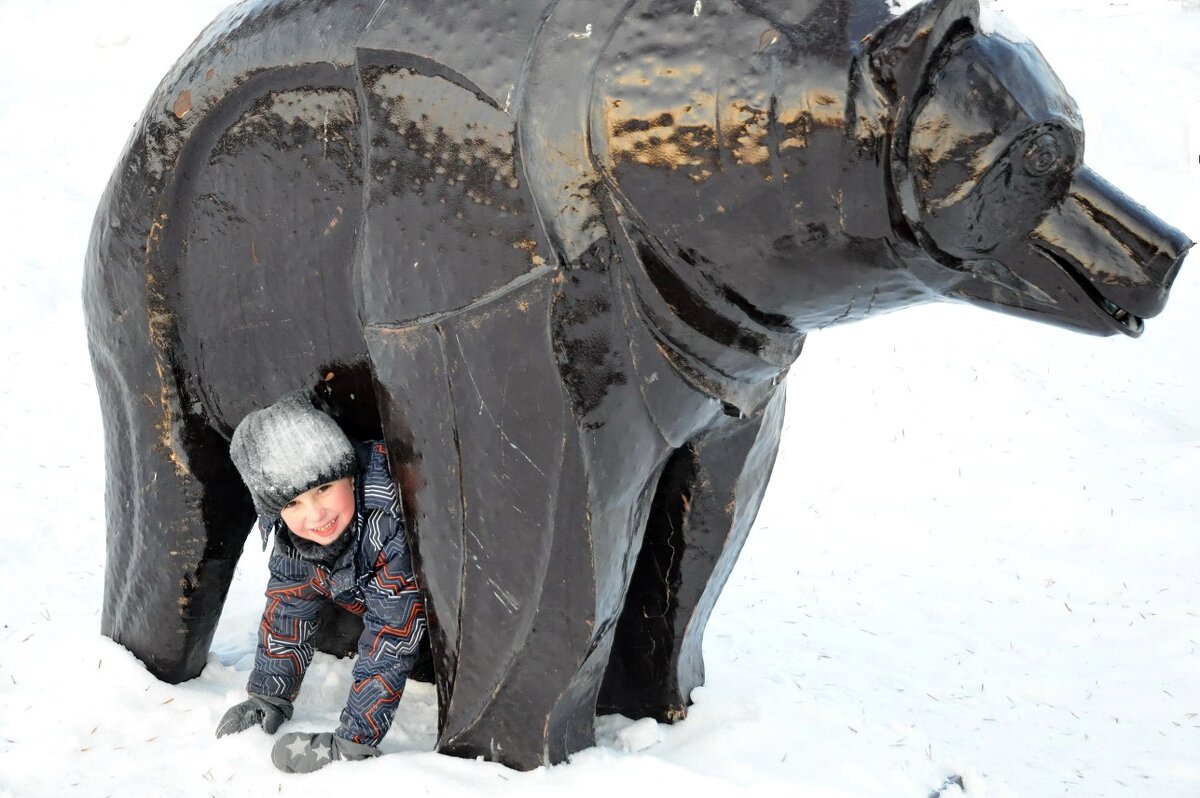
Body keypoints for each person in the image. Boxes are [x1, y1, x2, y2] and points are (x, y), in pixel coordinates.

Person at [217, 391, 426, 773]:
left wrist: (354, 740)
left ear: (349, 472)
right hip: (375, 605)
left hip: (434, 629)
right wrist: (268, 696)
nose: (316, 515)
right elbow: (288, 610)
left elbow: (392, 636)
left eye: (323, 488)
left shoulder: (385, 522)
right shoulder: (295, 538)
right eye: (292, 503)